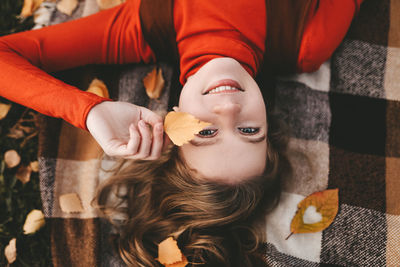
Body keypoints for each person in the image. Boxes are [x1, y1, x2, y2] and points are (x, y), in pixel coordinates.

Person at [0, 0, 363, 265]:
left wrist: (89, 110)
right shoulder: (306, 41)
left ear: (169, 124)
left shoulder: (146, 25)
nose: (229, 108)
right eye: (249, 130)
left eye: (205, 132)